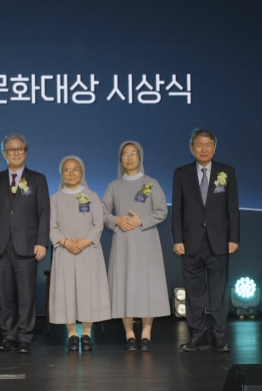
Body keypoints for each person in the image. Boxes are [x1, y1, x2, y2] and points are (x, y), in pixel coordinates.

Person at [172, 129, 239, 352]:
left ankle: (218, 335)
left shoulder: (226, 171)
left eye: (208, 145)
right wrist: (178, 238)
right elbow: (178, 211)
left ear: (214, 147)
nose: (203, 149)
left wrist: (233, 237)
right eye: (199, 145)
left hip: (219, 241)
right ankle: (198, 334)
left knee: (218, 291)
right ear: (191, 148)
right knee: (194, 292)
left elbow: (232, 209)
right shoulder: (181, 173)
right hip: (190, 242)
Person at [0, 133, 50, 354]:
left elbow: (44, 213)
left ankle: (24, 337)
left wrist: (42, 242)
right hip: (1, 246)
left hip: (28, 245)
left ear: (26, 152)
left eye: (20, 149)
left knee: (27, 295)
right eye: (11, 150)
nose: (16, 153)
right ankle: (8, 336)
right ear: (4, 154)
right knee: (5, 295)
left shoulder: (38, 179)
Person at [102, 141, 170, 352]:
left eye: (134, 154)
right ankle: (130, 334)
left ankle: (146, 334)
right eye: (125, 154)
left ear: (140, 158)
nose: (129, 158)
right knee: (124, 285)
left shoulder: (151, 183)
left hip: (146, 241)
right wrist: (116, 221)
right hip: (123, 242)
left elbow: (161, 211)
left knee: (146, 286)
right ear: (120, 159)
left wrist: (142, 221)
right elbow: (102, 213)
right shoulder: (114, 186)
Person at [49, 156, 111, 352]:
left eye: (75, 169)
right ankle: (71, 335)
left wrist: (84, 242)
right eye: (67, 170)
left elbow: (98, 224)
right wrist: (66, 242)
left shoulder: (92, 196)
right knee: (67, 293)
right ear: (62, 173)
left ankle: (86, 333)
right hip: (65, 251)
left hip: (88, 252)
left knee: (87, 292)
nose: (71, 173)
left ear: (82, 172)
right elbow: (51, 227)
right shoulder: (55, 199)